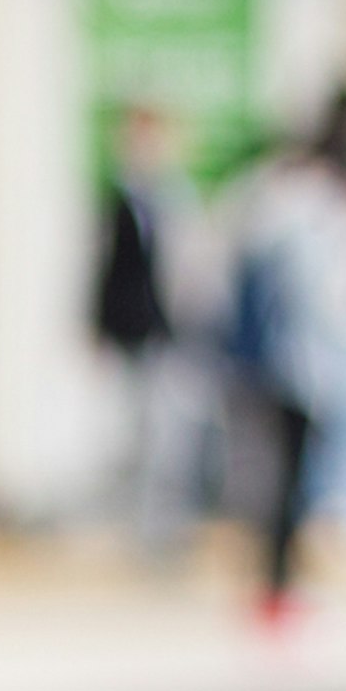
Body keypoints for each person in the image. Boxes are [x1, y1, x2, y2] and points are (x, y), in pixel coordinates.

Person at [224, 88, 346, 622]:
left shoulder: (271, 209)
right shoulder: (305, 213)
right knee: (287, 480)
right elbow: (323, 299)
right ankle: (277, 583)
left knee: (285, 479)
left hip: (285, 368)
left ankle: (280, 582)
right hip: (298, 367)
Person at [87, 101, 207, 561]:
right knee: (136, 436)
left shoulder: (174, 198)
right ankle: (138, 531)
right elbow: (103, 269)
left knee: (167, 437)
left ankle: (165, 527)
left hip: (167, 335)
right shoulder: (117, 199)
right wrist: (98, 328)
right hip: (131, 334)